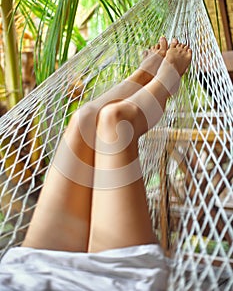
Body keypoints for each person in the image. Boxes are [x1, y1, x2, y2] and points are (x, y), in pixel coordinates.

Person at [0, 37, 192, 290]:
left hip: (27, 272)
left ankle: (143, 78)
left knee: (83, 119)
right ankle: (165, 82)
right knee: (116, 121)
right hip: (104, 282)